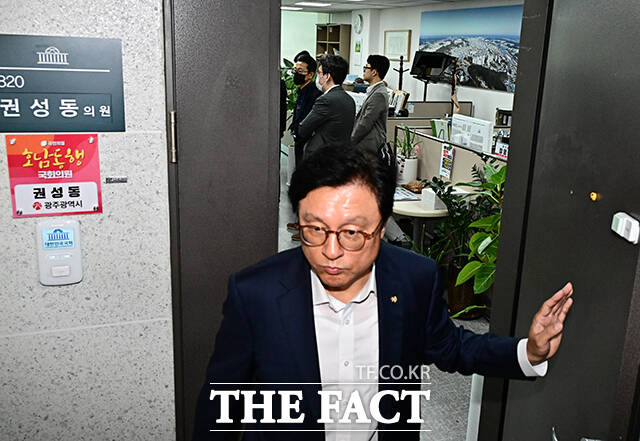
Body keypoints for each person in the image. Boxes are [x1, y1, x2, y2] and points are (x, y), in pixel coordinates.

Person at [192, 147, 574, 441]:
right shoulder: (255, 293)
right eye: (314, 229)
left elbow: (451, 347)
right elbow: (221, 403)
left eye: (352, 233)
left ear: (382, 226)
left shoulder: (414, 279)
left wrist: (529, 352)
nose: (330, 251)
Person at [297, 55, 355, 158]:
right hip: (341, 156)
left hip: (320, 156)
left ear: (327, 76)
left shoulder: (326, 100)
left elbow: (303, 129)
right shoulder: (349, 99)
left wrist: (314, 130)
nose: (317, 77)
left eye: (319, 73)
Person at [351, 55, 391, 154]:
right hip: (365, 145)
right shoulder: (374, 90)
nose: (364, 71)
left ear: (374, 72)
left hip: (369, 147)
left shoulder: (379, 94)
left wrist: (350, 141)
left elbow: (365, 124)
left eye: (366, 67)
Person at [289, 53, 322, 167]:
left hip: (307, 143)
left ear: (310, 75)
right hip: (299, 140)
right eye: (295, 70)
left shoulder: (315, 94)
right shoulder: (301, 91)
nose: (296, 73)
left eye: (300, 71)